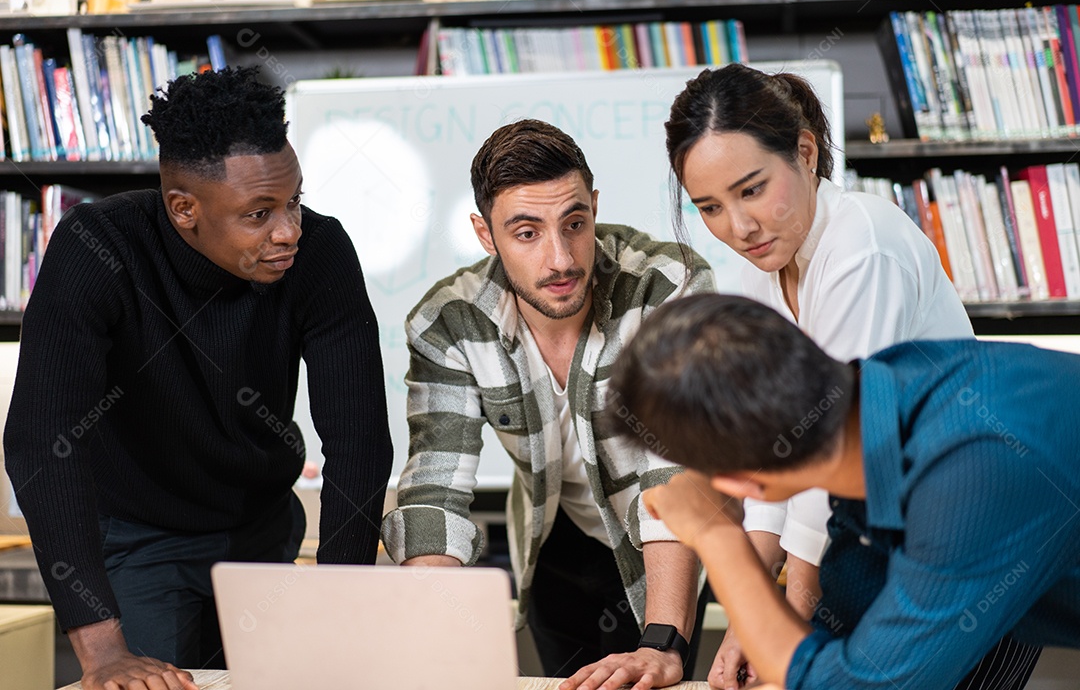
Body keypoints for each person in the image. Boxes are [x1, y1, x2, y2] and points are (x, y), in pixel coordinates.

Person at [3, 67, 393, 690]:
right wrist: (104, 654)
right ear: (185, 209)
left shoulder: (320, 251)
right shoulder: (96, 249)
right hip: (135, 536)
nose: (288, 230)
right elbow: (40, 442)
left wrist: (336, 608)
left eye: (293, 200)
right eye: (259, 213)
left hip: (260, 526)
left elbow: (359, 440)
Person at [663, 63, 1039, 689]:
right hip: (880, 543)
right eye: (710, 207)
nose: (739, 227)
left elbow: (831, 440)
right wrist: (750, 616)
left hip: (978, 539)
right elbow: (775, 460)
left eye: (751, 189)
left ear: (805, 153)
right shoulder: (762, 267)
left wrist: (791, 610)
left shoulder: (862, 243)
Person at [381, 119, 715, 690]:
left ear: (594, 207)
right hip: (552, 539)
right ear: (486, 235)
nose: (561, 260)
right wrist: (429, 633)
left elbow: (673, 471)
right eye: (527, 232)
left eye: (575, 224)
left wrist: (662, 643)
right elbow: (436, 490)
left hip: (663, 542)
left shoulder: (666, 286)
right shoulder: (449, 323)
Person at [609, 293, 1080, 690]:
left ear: (741, 482)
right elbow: (848, 627)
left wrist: (715, 533)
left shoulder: (971, 470)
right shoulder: (878, 397)